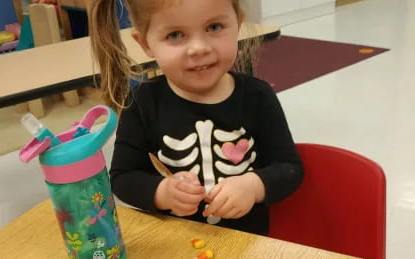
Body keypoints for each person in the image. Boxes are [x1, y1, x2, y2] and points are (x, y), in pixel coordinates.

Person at [88, 0, 303, 235]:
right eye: (175, 34)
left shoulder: (258, 96)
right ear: (145, 43)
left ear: (238, 23)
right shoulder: (141, 103)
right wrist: (162, 192)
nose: (199, 48)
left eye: (214, 27)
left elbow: (289, 168)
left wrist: (253, 186)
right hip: (177, 244)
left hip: (248, 244)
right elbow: (123, 179)